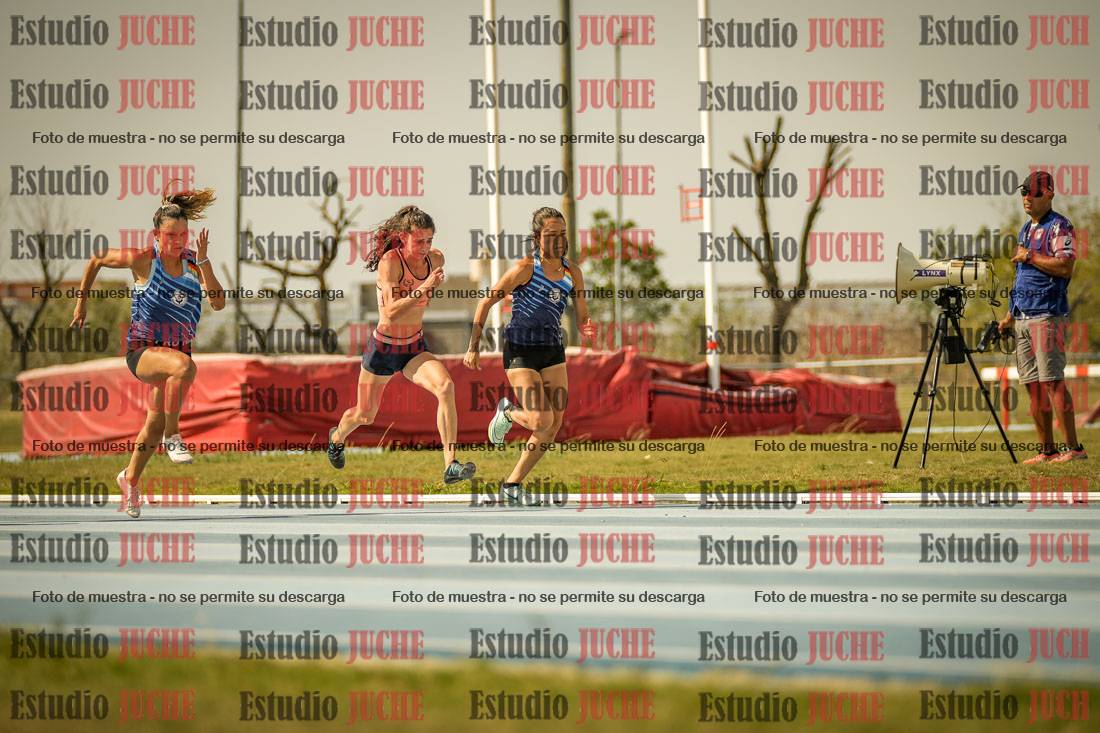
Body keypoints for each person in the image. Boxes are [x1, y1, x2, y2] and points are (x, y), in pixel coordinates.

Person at [71, 182, 224, 517]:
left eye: (183, 235)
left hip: (174, 354)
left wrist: (206, 262)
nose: (178, 241)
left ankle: (129, 479)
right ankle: (174, 436)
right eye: (170, 236)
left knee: (153, 423)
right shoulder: (143, 260)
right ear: (157, 235)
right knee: (185, 368)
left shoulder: (194, 263)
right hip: (143, 352)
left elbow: (219, 303)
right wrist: (81, 303)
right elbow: (97, 258)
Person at [327, 205, 476, 485]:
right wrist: (426, 286)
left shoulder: (436, 259)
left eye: (429, 240)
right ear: (403, 238)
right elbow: (390, 312)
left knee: (446, 387)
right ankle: (337, 438)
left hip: (413, 348)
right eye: (419, 241)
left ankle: (451, 465)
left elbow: (420, 300)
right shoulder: (390, 262)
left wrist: (427, 287)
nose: (425, 247)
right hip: (383, 349)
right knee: (365, 414)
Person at [464, 207, 597, 505]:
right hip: (520, 350)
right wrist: (473, 346)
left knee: (554, 424)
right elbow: (486, 302)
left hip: (552, 350)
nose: (559, 240)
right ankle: (508, 412)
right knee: (540, 419)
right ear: (537, 238)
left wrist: (586, 326)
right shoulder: (525, 268)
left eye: (562, 234)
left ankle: (512, 485)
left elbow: (582, 313)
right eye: (551, 235)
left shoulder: (572, 272)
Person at [998, 170, 1086, 463]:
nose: (1026, 197)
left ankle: (1074, 449)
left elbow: (1065, 267)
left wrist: (1031, 256)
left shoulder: (1060, 226)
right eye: (1023, 191)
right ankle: (1047, 450)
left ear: (1048, 194)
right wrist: (1010, 315)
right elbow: (1020, 277)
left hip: (1047, 315)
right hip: (1023, 316)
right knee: (1033, 386)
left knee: (1053, 382)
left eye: (1033, 192)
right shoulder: (1026, 228)